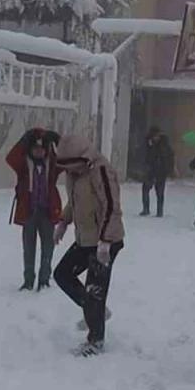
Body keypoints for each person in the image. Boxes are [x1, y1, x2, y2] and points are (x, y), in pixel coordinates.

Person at [52, 133, 126, 357]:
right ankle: (95, 312)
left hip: (105, 241)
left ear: (82, 158)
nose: (69, 170)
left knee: (95, 290)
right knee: (62, 274)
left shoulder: (101, 171)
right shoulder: (75, 174)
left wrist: (105, 241)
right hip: (85, 239)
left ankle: (95, 341)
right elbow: (75, 201)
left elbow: (111, 207)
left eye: (71, 165)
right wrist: (64, 222)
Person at [6, 128, 63, 291]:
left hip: (47, 212)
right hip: (29, 212)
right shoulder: (24, 165)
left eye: (42, 148)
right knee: (28, 249)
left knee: (48, 248)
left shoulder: (52, 164)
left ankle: (44, 280)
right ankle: (28, 280)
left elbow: (66, 159)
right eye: (35, 148)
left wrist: (58, 141)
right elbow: (11, 158)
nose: (39, 152)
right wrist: (24, 139)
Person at [140, 126, 174, 217]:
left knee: (159, 191)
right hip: (151, 170)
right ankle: (146, 208)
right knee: (145, 188)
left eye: (158, 135)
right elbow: (145, 155)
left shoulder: (164, 145)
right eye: (155, 135)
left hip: (161, 171)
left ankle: (160, 211)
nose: (157, 137)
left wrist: (169, 169)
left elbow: (169, 157)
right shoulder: (148, 143)